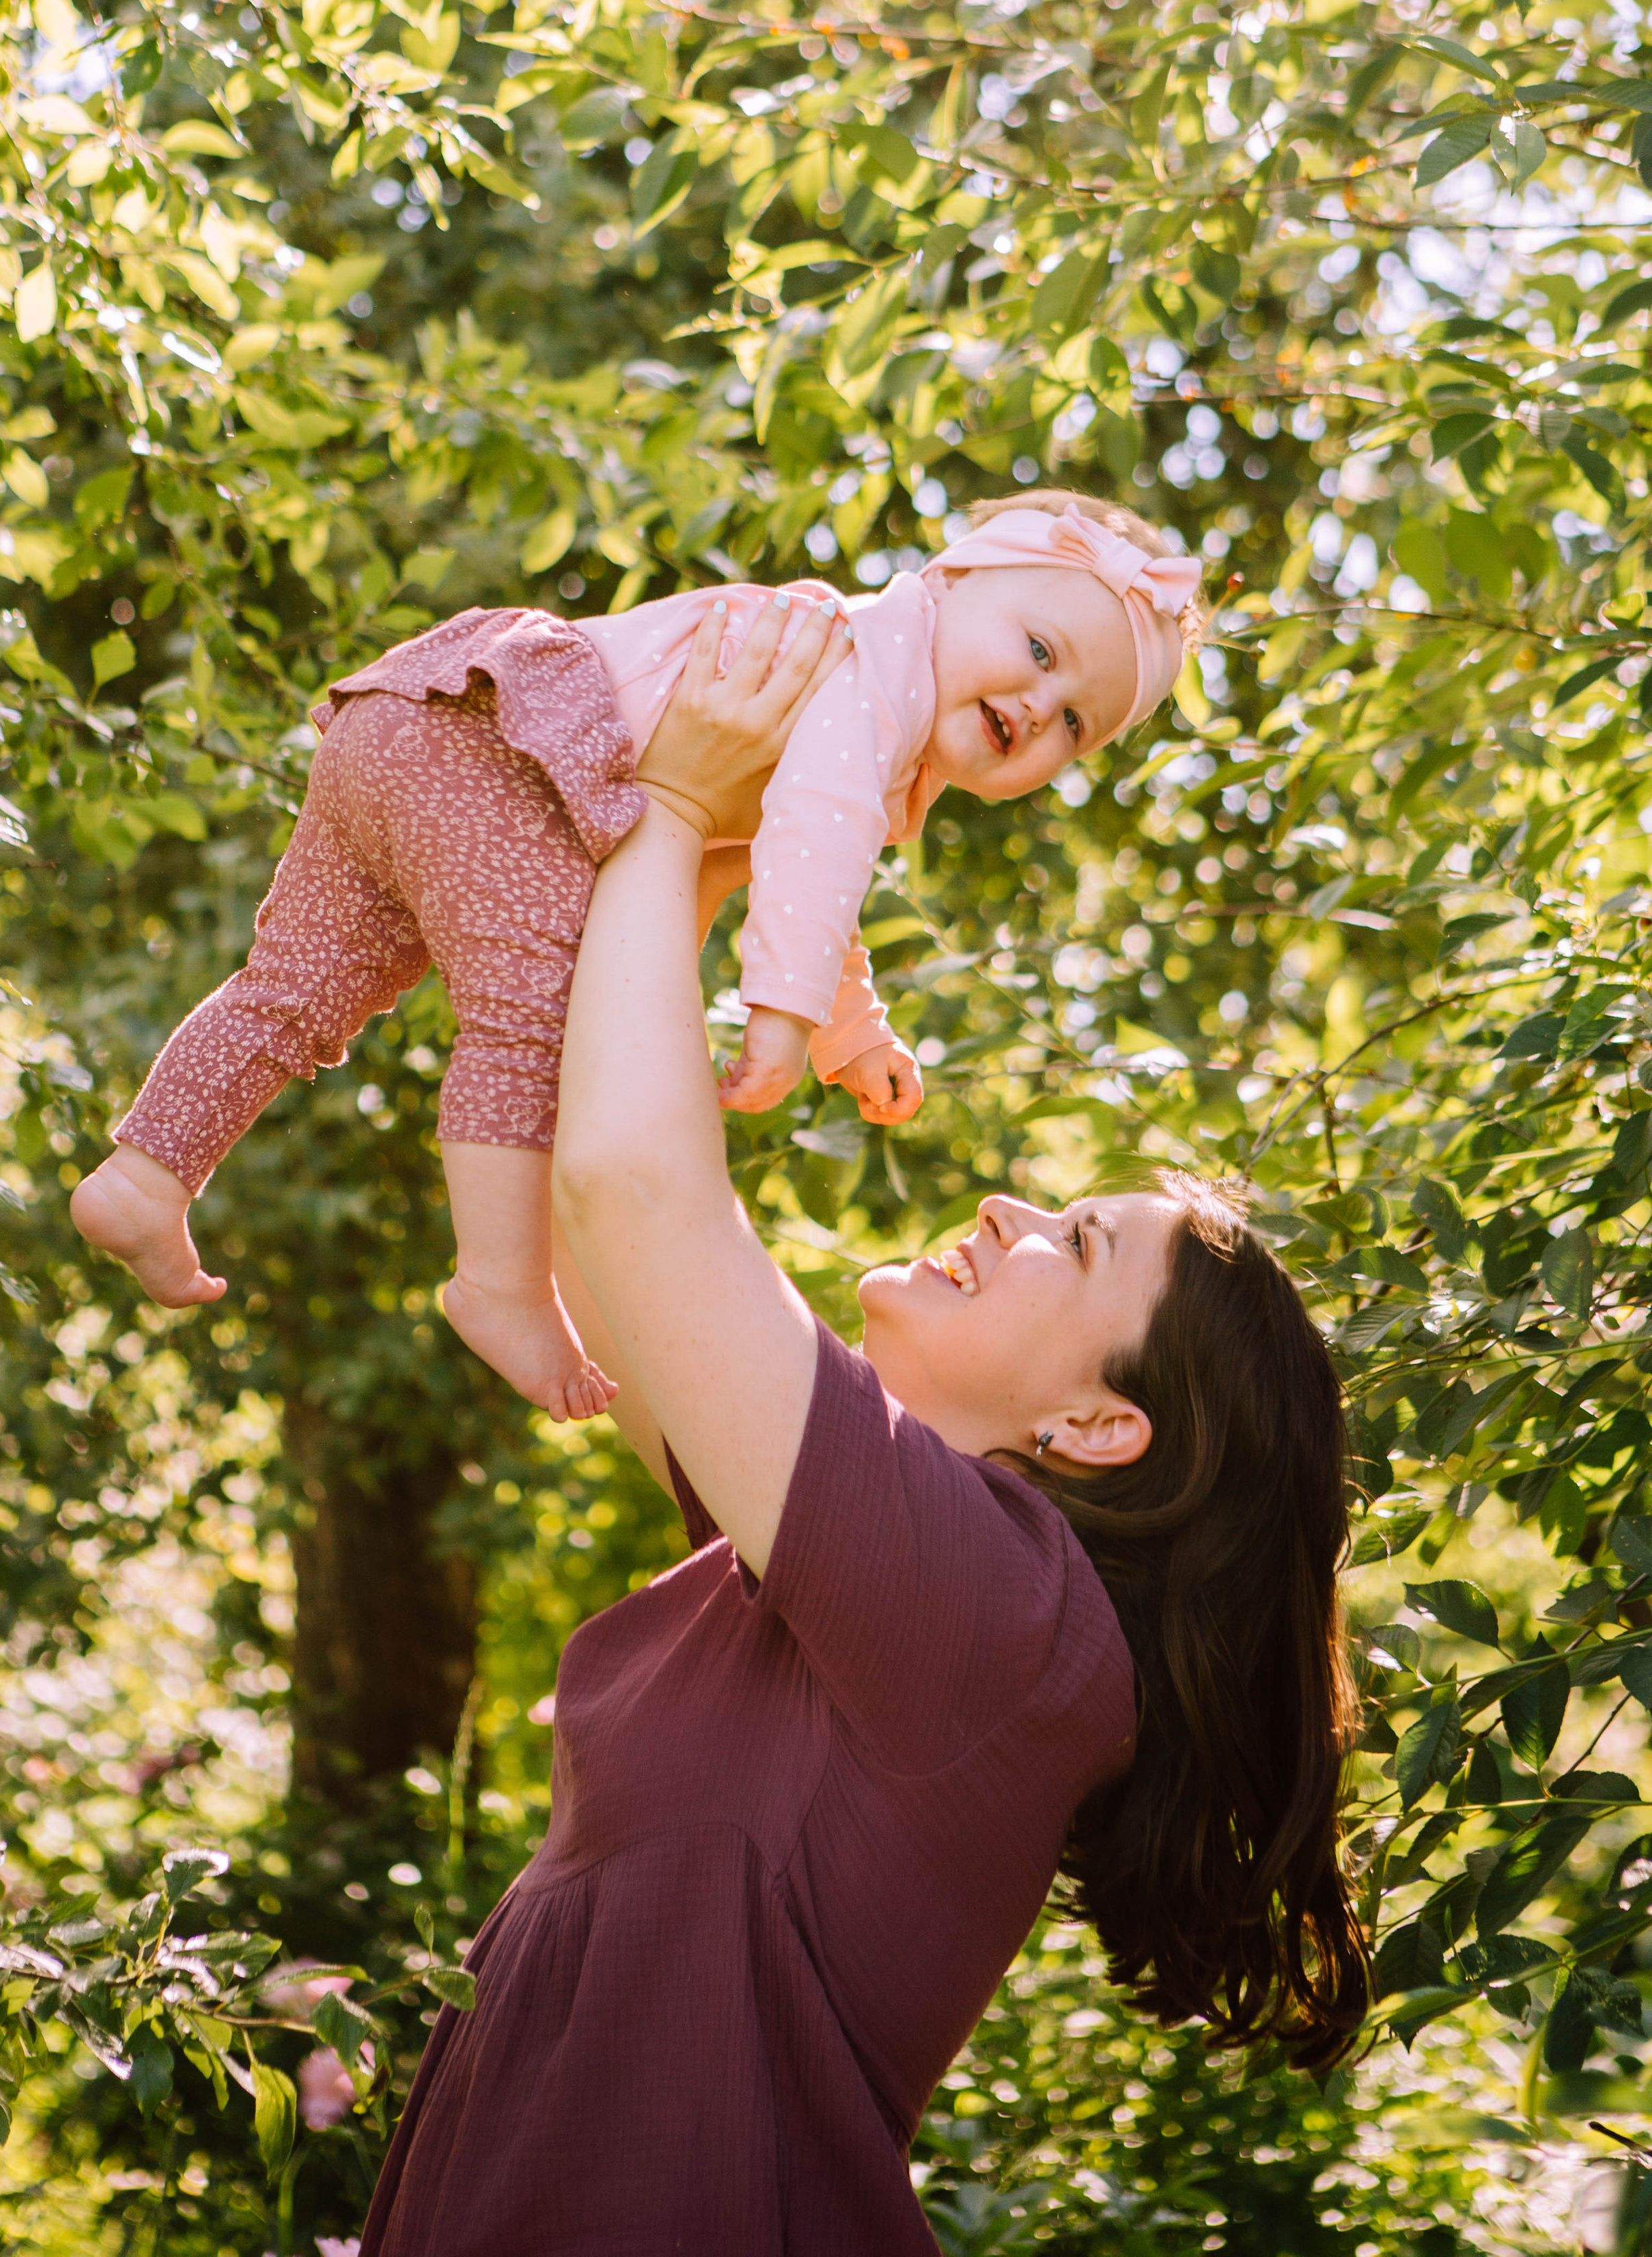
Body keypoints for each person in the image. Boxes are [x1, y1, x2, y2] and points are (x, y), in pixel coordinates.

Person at [357, 603, 1369, 2257]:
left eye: (1075, 1241)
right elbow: (582, 1224)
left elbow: (633, 1191)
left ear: (1097, 1427)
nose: (1001, 1201)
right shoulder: (858, 1561)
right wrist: (701, 849)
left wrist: (679, 810)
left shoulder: (998, 1619)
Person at [68, 488, 1201, 1421]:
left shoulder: (878, 711)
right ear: (952, 581)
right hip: (502, 765)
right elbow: (811, 851)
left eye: (1074, 723)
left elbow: (814, 880)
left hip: (414, 720)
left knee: (295, 988)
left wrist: (853, 1034)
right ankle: (500, 1284)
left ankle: (147, 1172)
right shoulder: (864, 665)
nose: (1038, 702)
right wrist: (783, 1022)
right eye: (1041, 650)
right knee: (546, 1022)